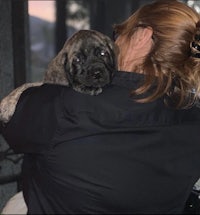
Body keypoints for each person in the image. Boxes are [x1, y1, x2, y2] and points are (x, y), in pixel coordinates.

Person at [1, 0, 200, 214]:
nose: (115, 43)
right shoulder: (194, 121)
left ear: (142, 36)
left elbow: (11, 122)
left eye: (119, 34)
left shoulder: (65, 107)